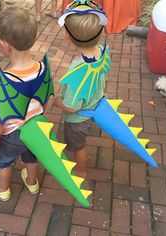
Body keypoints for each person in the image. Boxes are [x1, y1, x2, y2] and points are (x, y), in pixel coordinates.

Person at [0, 7, 47, 201]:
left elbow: (0, 117)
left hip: (12, 134)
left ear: (4, 45)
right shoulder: (42, 68)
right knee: (31, 157)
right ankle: (32, 183)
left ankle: (3, 189)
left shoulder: (5, 81)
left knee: (5, 162)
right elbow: (43, 99)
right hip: (35, 128)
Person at [53, 1, 110, 177]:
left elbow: (73, 106)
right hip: (95, 106)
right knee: (81, 140)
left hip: (77, 119)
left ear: (66, 36)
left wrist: (58, 102)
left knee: (79, 146)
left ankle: (81, 169)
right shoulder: (102, 50)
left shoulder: (77, 71)